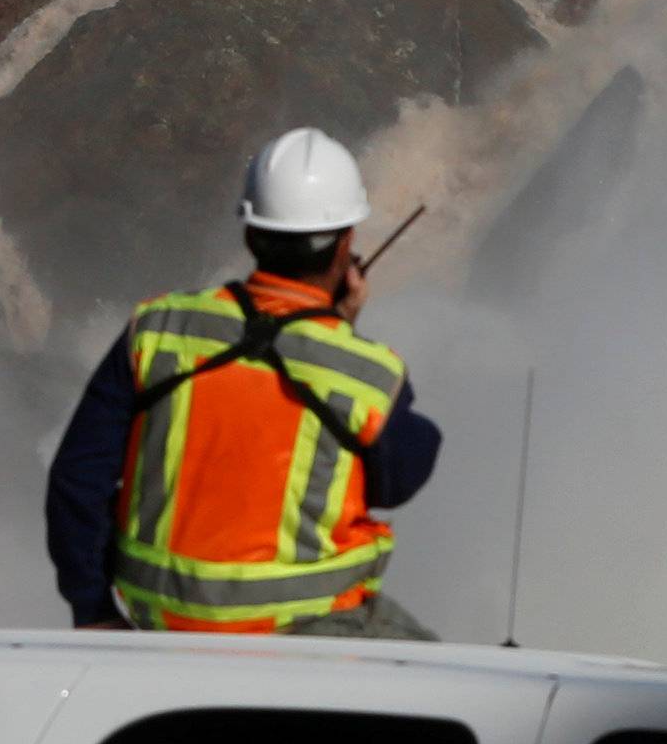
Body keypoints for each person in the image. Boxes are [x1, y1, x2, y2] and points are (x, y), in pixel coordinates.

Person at [46, 127, 442, 635]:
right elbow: (399, 477)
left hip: (162, 621)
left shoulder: (156, 331)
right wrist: (339, 331)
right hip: (312, 628)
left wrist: (93, 609)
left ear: (251, 234)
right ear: (347, 245)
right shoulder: (364, 373)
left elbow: (77, 477)